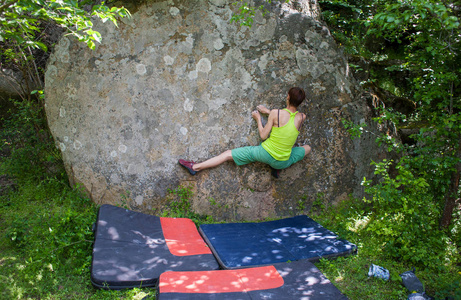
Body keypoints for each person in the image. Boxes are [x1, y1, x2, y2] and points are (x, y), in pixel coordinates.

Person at [179, 87, 311, 178]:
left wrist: (259, 119)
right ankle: (276, 167)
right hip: (283, 161)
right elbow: (289, 119)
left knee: (226, 155)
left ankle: (195, 167)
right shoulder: (302, 117)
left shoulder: (276, 113)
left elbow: (263, 135)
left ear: (287, 97)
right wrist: (269, 112)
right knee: (307, 148)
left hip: (264, 154)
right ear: (300, 102)